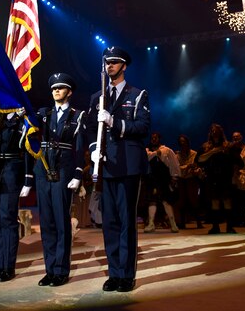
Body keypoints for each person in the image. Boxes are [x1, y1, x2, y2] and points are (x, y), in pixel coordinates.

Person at [86, 46, 150, 293]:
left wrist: (115, 122)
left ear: (124, 66)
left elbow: (143, 126)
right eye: (107, 62)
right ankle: (114, 273)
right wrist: (93, 148)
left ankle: (126, 274)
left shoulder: (138, 94)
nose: (109, 66)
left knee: (126, 222)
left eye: (114, 62)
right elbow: (91, 128)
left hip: (128, 165)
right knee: (109, 221)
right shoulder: (97, 97)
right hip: (106, 165)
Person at [34, 73, 86, 287]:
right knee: (46, 222)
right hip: (43, 169)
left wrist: (78, 174)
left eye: (61, 87)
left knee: (61, 221)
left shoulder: (78, 115)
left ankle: (61, 269)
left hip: (63, 170)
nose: (56, 90)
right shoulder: (43, 114)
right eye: (53, 87)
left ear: (69, 92)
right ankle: (50, 269)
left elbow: (80, 147)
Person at [0, 101, 36, 282]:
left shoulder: (22, 119)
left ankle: (8, 267)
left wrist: (28, 179)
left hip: (10, 172)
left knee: (8, 219)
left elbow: (26, 150)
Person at [195, 123, 241, 234]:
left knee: (227, 201)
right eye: (212, 130)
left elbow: (238, 162)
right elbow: (199, 160)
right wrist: (214, 151)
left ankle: (229, 226)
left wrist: (235, 174)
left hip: (225, 177)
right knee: (214, 202)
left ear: (221, 132)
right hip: (212, 177)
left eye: (216, 130)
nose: (214, 132)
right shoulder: (206, 146)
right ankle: (215, 226)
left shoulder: (228, 146)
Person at [143, 131, 181, 233]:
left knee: (166, 201)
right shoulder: (147, 151)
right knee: (152, 200)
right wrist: (156, 153)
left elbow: (174, 164)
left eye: (156, 137)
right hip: (151, 179)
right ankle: (151, 223)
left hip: (163, 179)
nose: (154, 139)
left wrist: (174, 177)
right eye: (152, 138)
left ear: (159, 139)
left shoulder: (166, 150)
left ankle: (173, 224)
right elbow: (146, 158)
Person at [175, 134, 203, 229]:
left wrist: (196, 170)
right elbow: (177, 168)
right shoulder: (177, 155)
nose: (183, 143)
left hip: (191, 179)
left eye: (184, 141)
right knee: (182, 201)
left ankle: (199, 222)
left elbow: (197, 166)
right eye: (181, 142)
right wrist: (187, 166)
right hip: (182, 179)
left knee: (194, 200)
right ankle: (182, 223)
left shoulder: (194, 154)